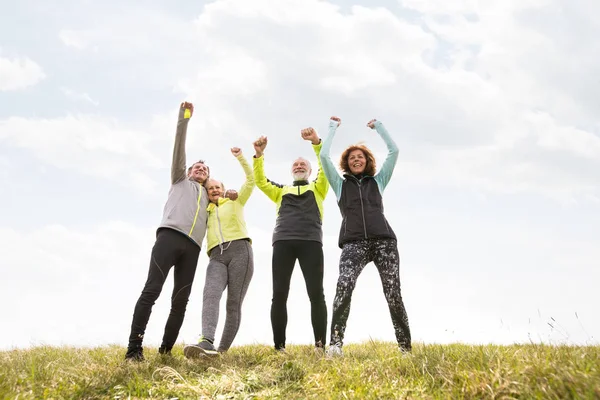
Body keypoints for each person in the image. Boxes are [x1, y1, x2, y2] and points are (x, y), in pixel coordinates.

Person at [125, 102, 235, 361]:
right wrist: (183, 119)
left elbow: (227, 204)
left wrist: (230, 194)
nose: (200, 170)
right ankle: (134, 349)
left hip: (193, 248)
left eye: (205, 170)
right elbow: (179, 148)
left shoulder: (210, 197)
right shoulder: (179, 179)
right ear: (187, 171)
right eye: (197, 167)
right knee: (151, 290)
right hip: (169, 238)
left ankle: (165, 351)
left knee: (180, 300)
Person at [319, 116, 411, 357]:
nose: (356, 159)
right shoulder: (340, 185)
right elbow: (323, 157)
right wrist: (332, 128)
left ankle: (405, 348)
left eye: (360, 157)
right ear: (347, 164)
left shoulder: (378, 181)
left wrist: (379, 127)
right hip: (354, 243)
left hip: (384, 242)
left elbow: (394, 151)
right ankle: (335, 345)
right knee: (344, 286)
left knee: (393, 292)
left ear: (367, 161)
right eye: (352, 158)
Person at [252, 128, 330, 352]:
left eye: (302, 165)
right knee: (279, 294)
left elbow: (325, 165)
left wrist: (316, 143)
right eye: (295, 165)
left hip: (311, 242)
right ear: (291, 170)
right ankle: (279, 347)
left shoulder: (318, 187)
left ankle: (320, 346)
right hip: (283, 241)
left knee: (316, 293)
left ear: (309, 170)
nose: (298, 167)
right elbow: (260, 181)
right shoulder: (280, 190)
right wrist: (259, 155)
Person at [183, 146, 255, 358]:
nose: (214, 190)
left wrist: (240, 157)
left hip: (240, 251)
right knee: (210, 294)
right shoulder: (205, 210)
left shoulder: (235, 201)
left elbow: (251, 181)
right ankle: (207, 342)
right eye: (210, 188)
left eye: (217, 187)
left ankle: (222, 351)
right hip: (216, 256)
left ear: (223, 189)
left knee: (233, 303)